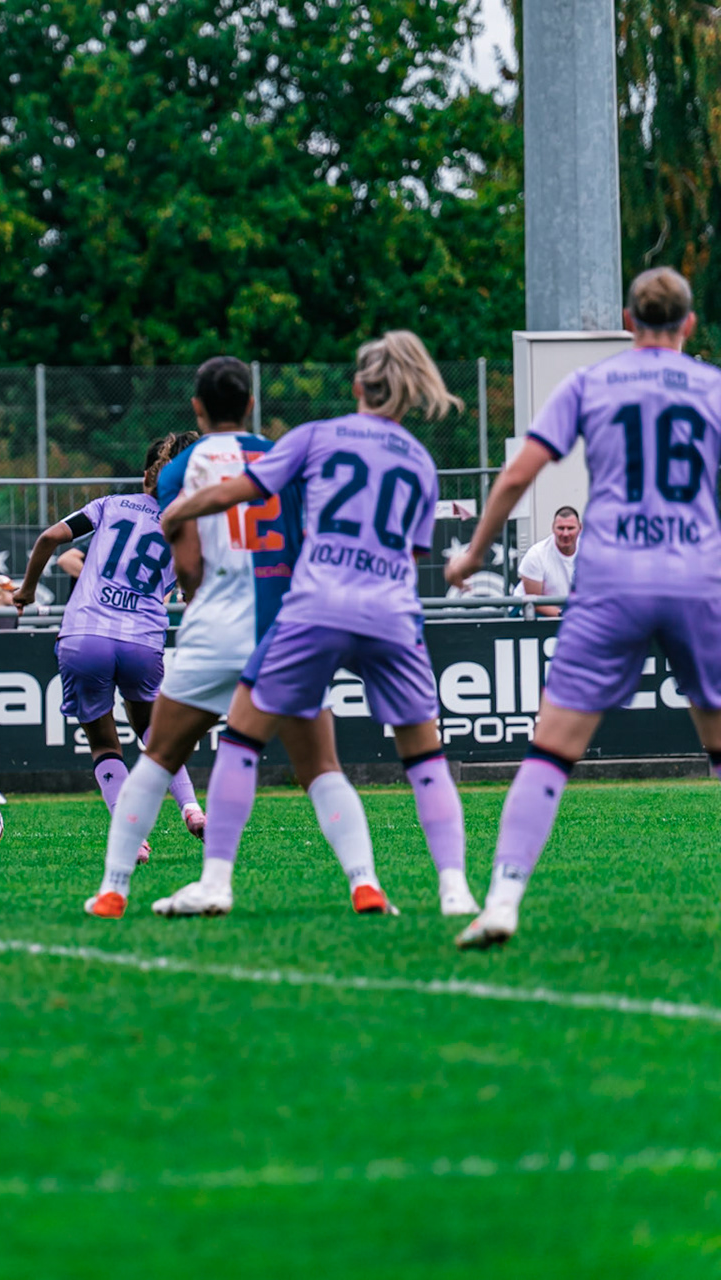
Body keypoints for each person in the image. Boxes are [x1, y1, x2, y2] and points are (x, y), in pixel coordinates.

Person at [69, 356, 454, 921]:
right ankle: (365, 883)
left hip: (214, 626)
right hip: (283, 630)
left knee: (157, 757)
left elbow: (189, 565)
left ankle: (114, 889)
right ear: (251, 404)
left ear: (198, 409)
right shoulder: (285, 455)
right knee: (320, 766)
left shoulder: (185, 467)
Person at [445, 267, 721, 948]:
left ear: (628, 322)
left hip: (611, 580)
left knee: (551, 749)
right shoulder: (714, 389)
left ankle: (503, 900)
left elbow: (517, 474)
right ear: (688, 326)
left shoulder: (591, 383)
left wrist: (476, 552)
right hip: (697, 577)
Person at [13, 434, 206, 852]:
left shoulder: (110, 506)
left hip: (85, 636)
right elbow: (195, 587)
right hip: (141, 641)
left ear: (146, 475)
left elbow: (49, 539)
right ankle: (191, 807)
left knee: (104, 743)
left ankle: (131, 838)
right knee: (157, 736)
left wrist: (27, 590)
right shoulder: (188, 527)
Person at [517, 506, 580, 617]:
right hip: (529, 613)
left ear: (580, 528)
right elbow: (534, 603)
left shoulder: (591, 553)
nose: (565, 534)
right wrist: (565, 616)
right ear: (553, 528)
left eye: (570, 528)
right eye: (561, 528)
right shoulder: (536, 554)